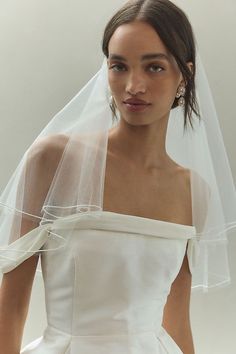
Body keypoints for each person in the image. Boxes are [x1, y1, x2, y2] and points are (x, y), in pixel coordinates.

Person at [0, 0, 235, 353]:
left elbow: (177, 323)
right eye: (119, 66)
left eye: (154, 67)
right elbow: (11, 308)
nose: (133, 86)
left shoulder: (192, 191)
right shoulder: (53, 160)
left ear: (184, 76)